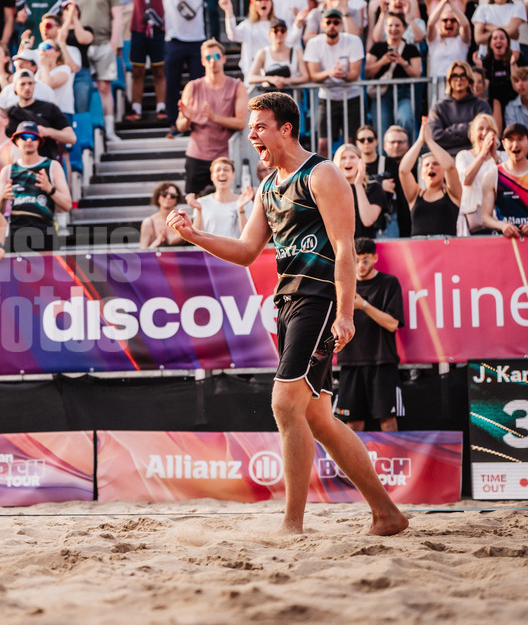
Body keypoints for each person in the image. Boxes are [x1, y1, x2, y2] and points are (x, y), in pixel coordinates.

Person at [166, 91, 408, 537]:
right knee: (316, 417)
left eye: (259, 126)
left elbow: (343, 248)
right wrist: (195, 234)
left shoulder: (322, 174)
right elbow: (244, 251)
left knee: (282, 404)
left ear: (286, 129)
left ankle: (292, 523)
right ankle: (386, 513)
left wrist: (346, 312)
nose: (251, 134)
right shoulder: (267, 186)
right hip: (288, 302)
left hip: (318, 302)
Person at [139, 0, 216, 137]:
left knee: (198, 85)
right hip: (173, 41)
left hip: (196, 41)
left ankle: (198, 123)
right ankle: (174, 123)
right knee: (172, 84)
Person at [335, 237, 404, 432]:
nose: (360, 266)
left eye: (365, 260)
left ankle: (390, 462)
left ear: (375, 258)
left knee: (388, 422)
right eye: (356, 260)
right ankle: (353, 464)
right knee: (352, 424)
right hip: (350, 363)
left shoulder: (389, 283)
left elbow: (392, 324)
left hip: (382, 362)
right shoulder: (343, 285)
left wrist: (364, 306)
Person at [175, 40, 248, 198]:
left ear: (223, 58)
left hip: (224, 157)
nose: (212, 61)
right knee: (196, 204)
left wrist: (214, 118)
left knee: (226, 201)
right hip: (197, 156)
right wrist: (186, 119)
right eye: (208, 57)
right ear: (202, 61)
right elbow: (180, 126)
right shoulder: (193, 87)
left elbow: (241, 123)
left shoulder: (236, 86)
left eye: (216, 56)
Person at [0, 121, 72, 252]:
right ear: (16, 141)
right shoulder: (8, 171)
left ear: (39, 141)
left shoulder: (52, 166)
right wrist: (2, 198)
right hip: (16, 236)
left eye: (33, 136)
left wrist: (50, 189)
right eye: (24, 137)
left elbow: (67, 205)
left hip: (44, 233)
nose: (29, 140)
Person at [72, 0, 123, 142]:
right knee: (83, 89)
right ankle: (91, 132)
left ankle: (109, 130)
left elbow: (117, 17)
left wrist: (113, 43)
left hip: (103, 44)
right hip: (81, 49)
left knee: (104, 87)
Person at [304, 8, 364, 158]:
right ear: (321, 24)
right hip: (327, 97)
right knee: (323, 143)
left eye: (336, 22)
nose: (332, 25)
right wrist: (330, 73)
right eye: (328, 22)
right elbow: (314, 75)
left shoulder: (353, 40)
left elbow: (355, 74)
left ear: (341, 24)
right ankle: (325, 177)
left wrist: (342, 75)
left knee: (349, 143)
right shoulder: (314, 43)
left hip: (352, 96)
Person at [480, 122, 528, 237]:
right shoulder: (493, 175)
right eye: (510, 140)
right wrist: (503, 226)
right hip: (507, 242)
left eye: (520, 139)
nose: (515, 145)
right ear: (503, 144)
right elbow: (485, 217)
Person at [397, 118, 463, 237]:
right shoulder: (415, 194)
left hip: (445, 247)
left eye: (436, 164)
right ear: (421, 173)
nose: (431, 167)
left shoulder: (452, 194)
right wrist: (420, 141)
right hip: (420, 248)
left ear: (443, 172)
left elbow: (450, 167)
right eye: (426, 165)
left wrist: (430, 141)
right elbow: (403, 170)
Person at [365, 12, 422, 140]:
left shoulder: (411, 49)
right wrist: (382, 62)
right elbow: (367, 72)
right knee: (382, 128)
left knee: (406, 119)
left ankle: (407, 153)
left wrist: (403, 62)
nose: (393, 29)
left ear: (404, 28)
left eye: (397, 25)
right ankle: (385, 158)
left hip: (404, 93)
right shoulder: (377, 47)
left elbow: (417, 73)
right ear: (385, 28)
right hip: (381, 94)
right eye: (390, 25)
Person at [428, 60, 492, 156]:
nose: (459, 79)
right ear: (449, 79)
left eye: (463, 75)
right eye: (455, 76)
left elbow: (485, 132)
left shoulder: (481, 105)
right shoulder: (438, 108)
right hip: (447, 158)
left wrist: (453, 129)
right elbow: (436, 136)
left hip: (476, 156)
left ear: (469, 79)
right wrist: (470, 134)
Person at [455, 113, 499, 235]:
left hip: (498, 219)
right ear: (472, 134)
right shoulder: (463, 156)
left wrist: (495, 158)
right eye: (480, 129)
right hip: (472, 220)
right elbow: (466, 180)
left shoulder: (503, 157)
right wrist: (483, 154)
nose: (485, 133)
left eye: (489, 129)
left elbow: (508, 184)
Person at [188, 157, 253, 238]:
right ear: (212, 177)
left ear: (233, 175)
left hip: (235, 250)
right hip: (208, 250)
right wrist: (199, 210)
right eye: (218, 170)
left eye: (226, 170)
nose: (222, 173)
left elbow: (249, 237)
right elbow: (196, 237)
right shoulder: (201, 203)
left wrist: (241, 210)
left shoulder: (246, 202)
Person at [335, 143, 388, 240]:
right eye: (343, 158)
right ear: (336, 163)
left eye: (352, 157)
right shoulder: (331, 190)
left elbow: (368, 220)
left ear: (360, 162)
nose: (348, 161)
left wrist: (358, 184)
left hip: (365, 247)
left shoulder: (374, 187)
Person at [141, 181, 186, 247]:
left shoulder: (182, 220)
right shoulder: (149, 222)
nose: (168, 197)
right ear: (158, 198)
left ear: (176, 200)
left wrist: (199, 209)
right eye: (164, 194)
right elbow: (143, 253)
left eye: (173, 196)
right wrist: (157, 242)